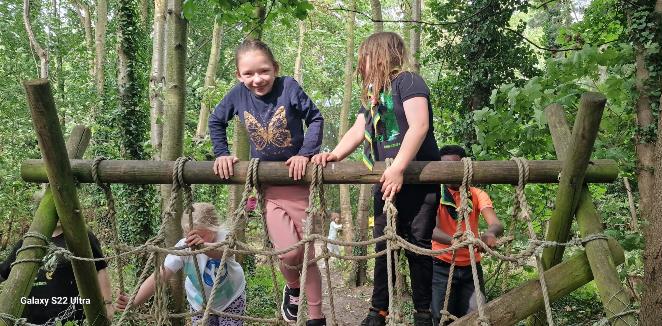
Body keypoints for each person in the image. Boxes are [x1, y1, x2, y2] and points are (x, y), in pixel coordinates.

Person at [312, 32, 439, 326]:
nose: (361, 63)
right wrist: (335, 155)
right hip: (386, 182)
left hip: (418, 179)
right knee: (384, 244)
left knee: (417, 244)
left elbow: (419, 126)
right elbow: (359, 130)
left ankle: (423, 313)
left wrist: (398, 168)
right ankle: (377, 311)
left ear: (382, 55)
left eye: (365, 57)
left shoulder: (408, 82)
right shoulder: (373, 94)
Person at [208, 39, 326, 326]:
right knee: (290, 251)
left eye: (263, 71)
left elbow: (316, 119)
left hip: (299, 184)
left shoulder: (289, 87)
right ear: (239, 75)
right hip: (269, 189)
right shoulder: (238, 95)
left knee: (308, 253)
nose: (257, 79)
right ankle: (293, 288)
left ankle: (316, 316)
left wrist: (304, 154)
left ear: (275, 68)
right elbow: (215, 121)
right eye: (248, 74)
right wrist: (222, 154)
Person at [115, 203, 246, 326]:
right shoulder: (184, 246)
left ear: (214, 229)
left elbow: (224, 252)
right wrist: (135, 300)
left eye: (199, 235)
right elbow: (161, 274)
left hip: (231, 299)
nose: (191, 240)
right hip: (200, 303)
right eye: (187, 233)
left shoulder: (224, 238)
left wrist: (204, 245)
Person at [430, 145, 504, 325]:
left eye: (454, 167)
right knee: (441, 318)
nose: (450, 172)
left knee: (477, 317)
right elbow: (430, 229)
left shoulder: (476, 194)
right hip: (441, 266)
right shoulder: (434, 195)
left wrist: (489, 234)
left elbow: (496, 223)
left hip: (472, 267)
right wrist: (456, 241)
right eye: (445, 167)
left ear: (464, 166)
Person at [0, 222, 114, 324]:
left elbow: (100, 269)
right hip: (32, 320)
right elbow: (3, 272)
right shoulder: (29, 241)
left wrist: (108, 304)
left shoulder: (82, 237)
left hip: (73, 318)